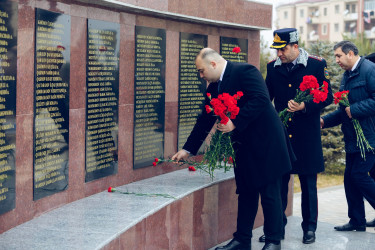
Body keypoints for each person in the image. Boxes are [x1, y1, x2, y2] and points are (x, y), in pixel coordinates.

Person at [172, 48, 293, 250]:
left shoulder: (244, 71)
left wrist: (234, 122)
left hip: (266, 143)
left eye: (201, 71)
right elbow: (205, 119)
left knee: (269, 193)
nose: (201, 76)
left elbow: (261, 98)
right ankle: (242, 240)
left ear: (213, 64)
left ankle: (273, 241)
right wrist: (187, 149)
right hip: (243, 146)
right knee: (246, 192)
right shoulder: (213, 88)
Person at [264, 28, 333, 244]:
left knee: (308, 183)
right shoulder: (272, 68)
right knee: (279, 182)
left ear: (295, 46)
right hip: (282, 134)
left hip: (306, 135)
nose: (279, 55)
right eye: (277, 50)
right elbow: (267, 98)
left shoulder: (316, 64)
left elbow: (328, 96)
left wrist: (305, 105)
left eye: (283, 49)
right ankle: (277, 226)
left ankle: (309, 228)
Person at [321, 40, 375, 232]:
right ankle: (357, 221)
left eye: (338, 56)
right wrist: (324, 121)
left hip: (370, 137)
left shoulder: (370, 70)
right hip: (353, 138)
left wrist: (356, 109)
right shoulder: (347, 76)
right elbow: (343, 110)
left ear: (350, 53)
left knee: (359, 175)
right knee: (350, 179)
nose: (336, 60)